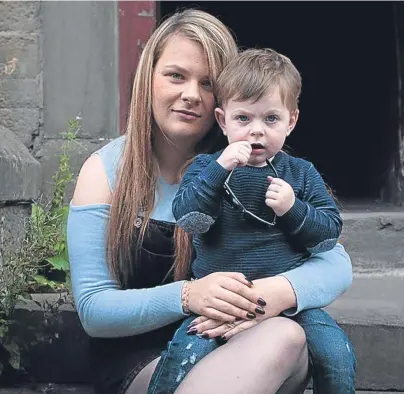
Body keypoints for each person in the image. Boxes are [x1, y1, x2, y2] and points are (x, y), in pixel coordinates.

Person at [67, 8, 356, 394]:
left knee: (287, 337)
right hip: (142, 360)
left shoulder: (254, 164)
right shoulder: (105, 171)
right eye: (175, 75)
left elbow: (335, 263)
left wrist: (269, 295)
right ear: (147, 79)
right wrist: (190, 296)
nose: (190, 94)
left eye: (207, 83)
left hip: (245, 340)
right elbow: (94, 311)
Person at [146, 47, 345, 394]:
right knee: (180, 356)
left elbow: (328, 236)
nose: (256, 132)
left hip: (286, 306)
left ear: (291, 121)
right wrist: (219, 168)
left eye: (270, 119)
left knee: (335, 353)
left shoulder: (300, 173)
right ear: (222, 121)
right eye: (243, 119)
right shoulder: (204, 168)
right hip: (219, 304)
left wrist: (292, 208)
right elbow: (190, 220)